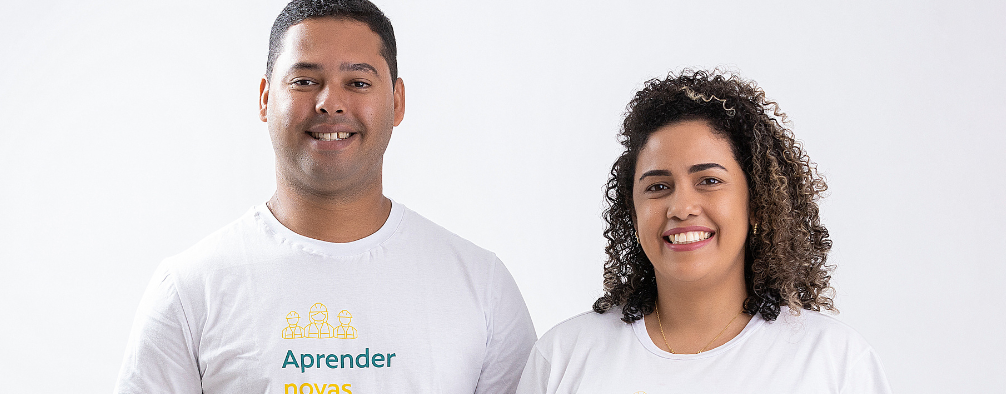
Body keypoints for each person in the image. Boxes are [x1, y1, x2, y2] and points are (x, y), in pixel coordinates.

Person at [114, 0, 536, 393]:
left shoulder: (482, 288)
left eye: (357, 81)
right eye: (304, 80)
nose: (330, 102)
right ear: (265, 98)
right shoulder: (189, 290)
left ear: (397, 100)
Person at [518, 69, 891, 393]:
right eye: (658, 186)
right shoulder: (565, 358)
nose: (681, 208)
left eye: (709, 180)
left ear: (757, 203)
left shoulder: (833, 362)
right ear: (633, 213)